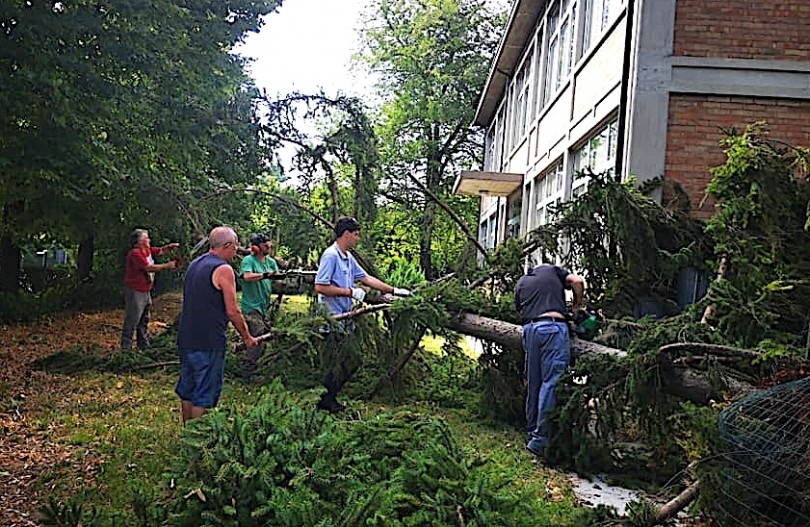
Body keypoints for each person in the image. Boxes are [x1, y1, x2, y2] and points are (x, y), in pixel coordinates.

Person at [313, 217, 411, 412]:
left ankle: (327, 398)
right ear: (346, 234)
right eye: (356, 234)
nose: (358, 239)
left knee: (352, 360)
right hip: (332, 319)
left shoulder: (348, 258)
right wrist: (349, 292)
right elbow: (320, 286)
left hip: (346, 318)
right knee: (339, 362)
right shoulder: (331, 255)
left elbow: (365, 278)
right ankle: (325, 400)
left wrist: (393, 290)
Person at [175, 226, 258, 424]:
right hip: (209, 341)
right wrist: (247, 337)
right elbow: (232, 310)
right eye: (235, 246)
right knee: (204, 393)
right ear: (227, 245)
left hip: (187, 337)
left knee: (188, 389)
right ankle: (199, 441)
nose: (237, 251)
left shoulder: (195, 264)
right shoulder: (223, 269)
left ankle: (188, 433)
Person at [515, 263, 585, 458]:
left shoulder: (521, 283)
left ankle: (532, 430)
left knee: (534, 382)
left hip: (529, 330)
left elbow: (519, 310)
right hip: (553, 329)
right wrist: (577, 307)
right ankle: (540, 440)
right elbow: (577, 281)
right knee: (551, 383)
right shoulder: (553, 271)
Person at [238, 233, 287, 380]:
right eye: (265, 245)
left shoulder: (271, 262)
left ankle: (253, 366)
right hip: (251, 306)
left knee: (263, 338)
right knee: (257, 337)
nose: (268, 248)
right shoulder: (248, 260)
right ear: (256, 247)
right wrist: (265, 275)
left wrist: (284, 280)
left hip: (264, 306)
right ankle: (247, 371)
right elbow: (246, 276)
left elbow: (276, 279)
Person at [121, 229, 179, 350]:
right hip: (135, 290)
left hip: (145, 289)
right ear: (139, 241)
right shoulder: (135, 254)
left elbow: (160, 251)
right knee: (133, 319)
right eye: (146, 238)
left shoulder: (146, 250)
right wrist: (167, 266)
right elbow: (149, 267)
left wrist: (170, 247)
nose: (149, 240)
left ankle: (143, 344)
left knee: (144, 318)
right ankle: (126, 347)